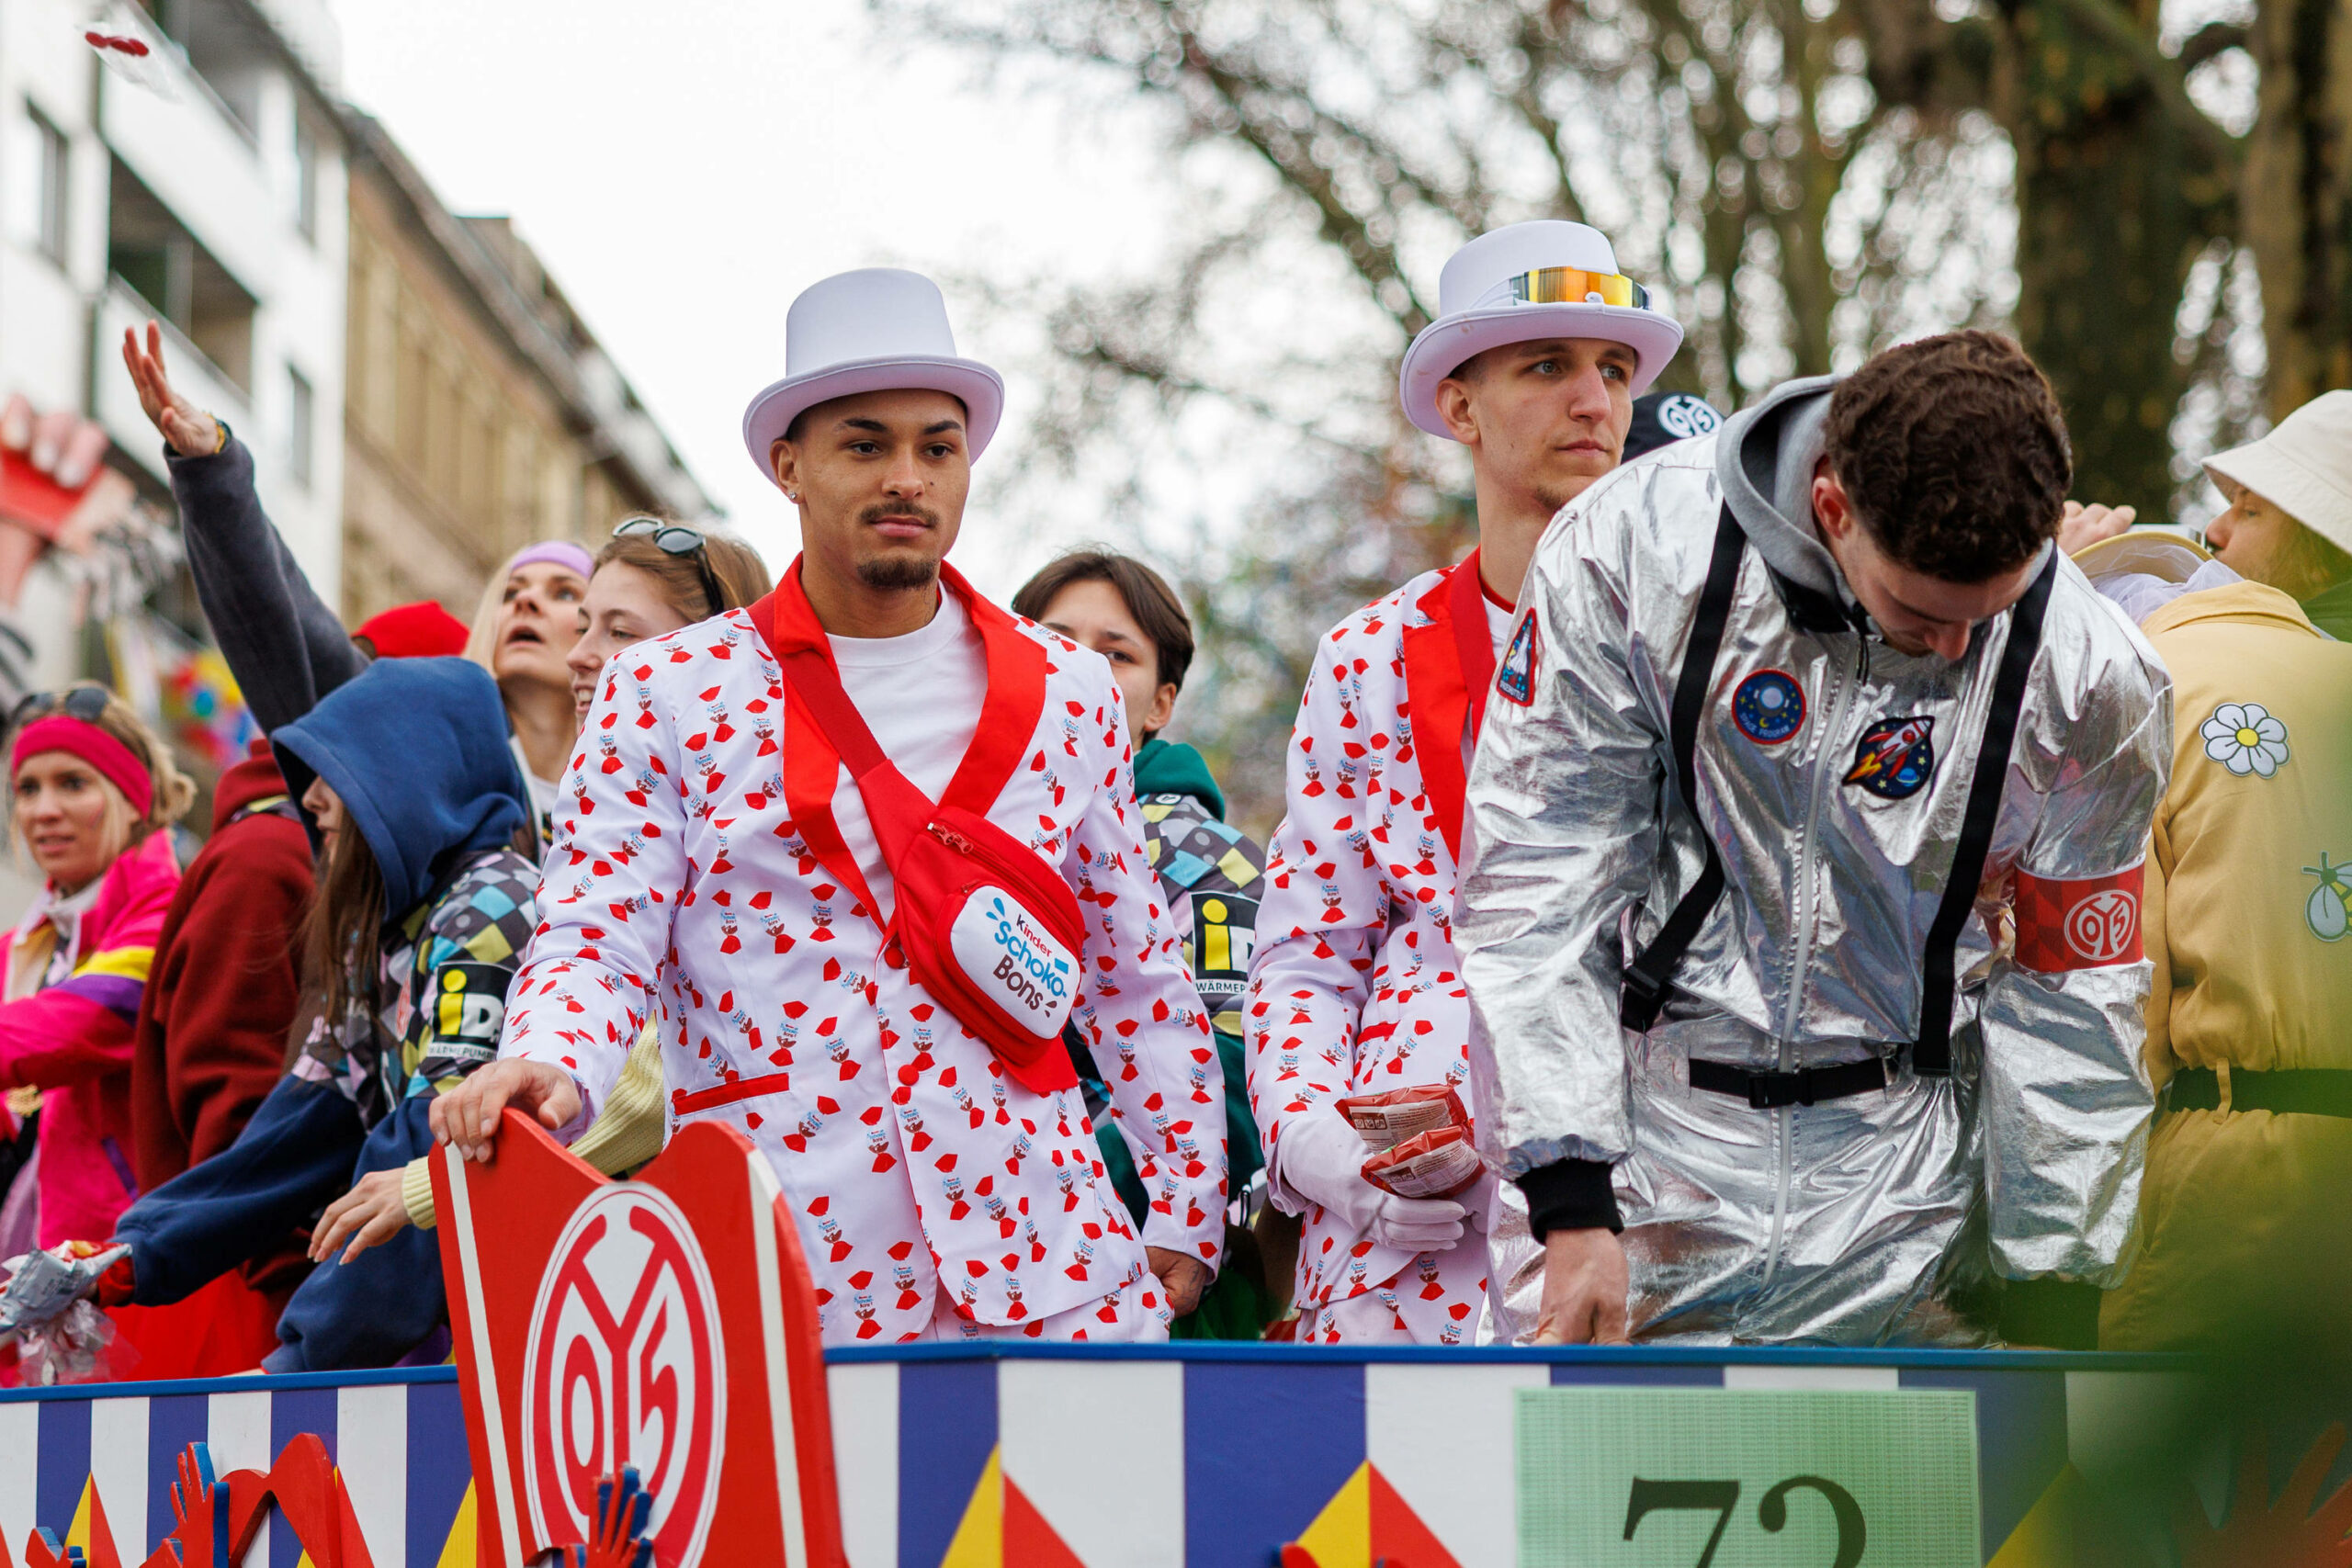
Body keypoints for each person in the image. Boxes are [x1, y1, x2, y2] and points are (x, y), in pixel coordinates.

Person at [433, 267, 1227, 1345]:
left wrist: (1186, 1202)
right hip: (786, 1271)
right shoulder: (665, 688)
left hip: (1054, 1268)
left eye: (936, 447)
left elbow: (1135, 968)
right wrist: (551, 1057)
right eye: (866, 444)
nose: (907, 476)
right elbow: (597, 928)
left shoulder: (1069, 689)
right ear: (788, 466)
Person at [1460, 331, 2171, 1348]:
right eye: (1920, 614)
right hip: (1647, 1157)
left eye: (1994, 612)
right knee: (1592, 1499)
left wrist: (2052, 1275)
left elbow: (2077, 983)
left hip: (1912, 1183)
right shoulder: (1632, 547)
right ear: (1833, 508)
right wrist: (1568, 1199)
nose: (1956, 649)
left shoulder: (2094, 673)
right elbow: (1540, 879)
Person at [1244, 220, 1683, 1343]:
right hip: (1401, 1268)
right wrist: (1325, 1150)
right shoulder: (1367, 659)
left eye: (1614, 369)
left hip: (1643, 1226)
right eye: (1548, 365)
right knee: (1377, 1529)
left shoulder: (1702, 650)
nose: (1595, 400)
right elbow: (1306, 955)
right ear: (1459, 405)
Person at [302, 516, 771, 1266]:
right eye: (583, 623)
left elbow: (655, 1080)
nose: (582, 656)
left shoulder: (759, 818)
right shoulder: (611, 813)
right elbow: (594, 970)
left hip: (768, 1250)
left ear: (719, 647)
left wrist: (429, 1186)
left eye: (617, 631)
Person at [92, 657, 537, 1371]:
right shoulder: (387, 922)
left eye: (343, 769)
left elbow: (439, 1145)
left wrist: (297, 1362)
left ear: (410, 773)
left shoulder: (490, 905)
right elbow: (305, 1118)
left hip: (531, 1331)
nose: (312, 801)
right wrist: (127, 1256)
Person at [2056, 409, 2352, 1351]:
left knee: (2217, 1495)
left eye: (2251, 510)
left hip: (2230, 1190)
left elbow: (2112, 998)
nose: (2216, 530)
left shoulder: (2145, 689)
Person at [120, 321, 591, 840]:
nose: (525, 604)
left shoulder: (641, 801)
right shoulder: (423, 757)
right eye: (510, 592)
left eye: (564, 593)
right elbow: (288, 625)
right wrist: (213, 471)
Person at [1012, 548, 1273, 1337]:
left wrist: (1059, 1205)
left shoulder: (1208, 859)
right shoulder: (963, 839)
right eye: (1050, 639)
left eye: (1114, 653)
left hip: (1136, 1287)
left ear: (1159, 704)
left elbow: (1237, 1071)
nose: (1078, 668)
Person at [120, 735, 313, 1377]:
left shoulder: (310, 852)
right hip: (252, 1286)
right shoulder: (265, 856)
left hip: (266, 1270)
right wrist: (294, 1279)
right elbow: (229, 1090)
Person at [0, 688, 192, 1258]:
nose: (42, 810)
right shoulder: (21, 947)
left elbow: (79, 1023)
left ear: (134, 799)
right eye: (27, 789)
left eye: (73, 783)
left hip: (125, 1263)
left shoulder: (170, 917)